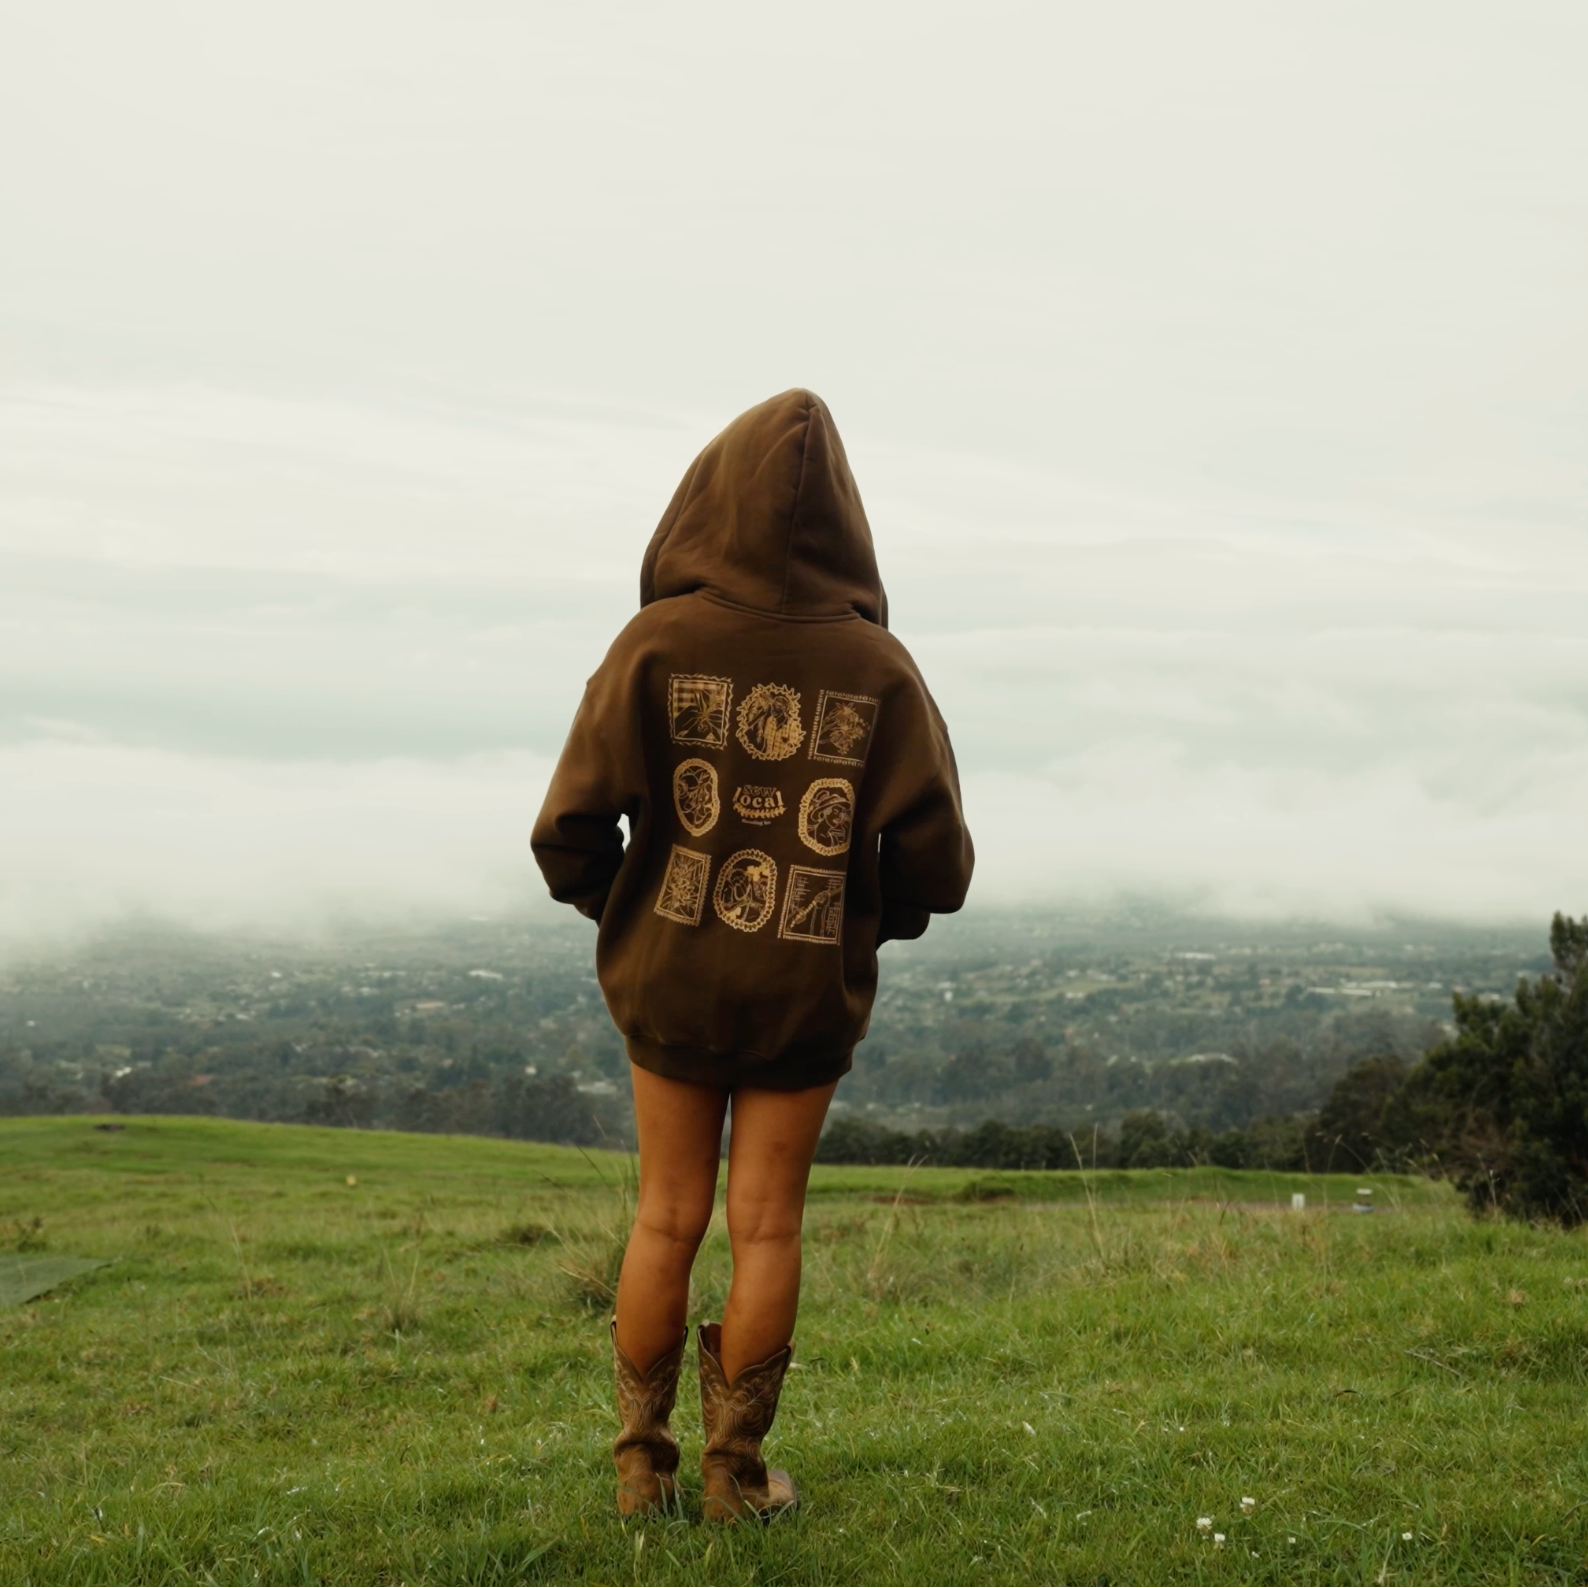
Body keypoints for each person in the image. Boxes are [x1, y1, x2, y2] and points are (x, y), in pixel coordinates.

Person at [531, 388, 973, 1521]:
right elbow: (939, 866)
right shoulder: (880, 668)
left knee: (664, 1216)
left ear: (702, 500)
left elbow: (567, 831)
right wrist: (861, 920)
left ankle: (641, 1471)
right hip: (800, 992)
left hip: (668, 980)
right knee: (766, 1222)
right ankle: (735, 1477)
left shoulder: (654, 644)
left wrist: (632, 918)